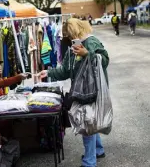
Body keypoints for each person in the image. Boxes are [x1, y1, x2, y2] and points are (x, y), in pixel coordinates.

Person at [38, 18, 109, 167]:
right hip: (82, 90)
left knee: (86, 124)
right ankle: (98, 150)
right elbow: (65, 71)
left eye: (69, 35)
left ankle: (89, 162)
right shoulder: (74, 46)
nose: (68, 39)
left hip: (92, 90)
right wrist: (49, 72)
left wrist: (86, 53)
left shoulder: (91, 42)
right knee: (90, 120)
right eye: (67, 37)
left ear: (75, 31)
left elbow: (104, 61)